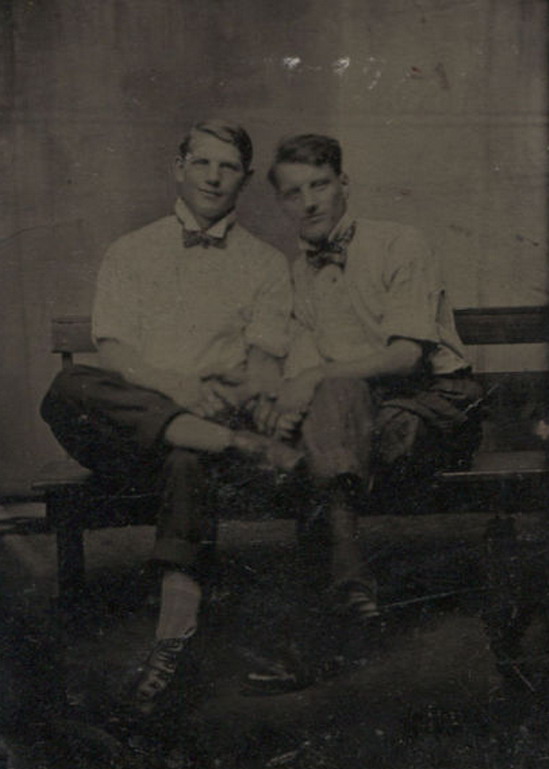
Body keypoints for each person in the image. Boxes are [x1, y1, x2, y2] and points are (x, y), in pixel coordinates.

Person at [40, 119, 300, 717]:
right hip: (134, 432)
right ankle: (220, 440)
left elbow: (263, 366)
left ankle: (171, 641)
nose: (213, 177)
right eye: (201, 162)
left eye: (227, 167)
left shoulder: (265, 263)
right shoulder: (130, 251)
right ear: (178, 168)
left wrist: (226, 396)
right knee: (68, 386)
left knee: (188, 458)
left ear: (245, 180)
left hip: (212, 426)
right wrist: (178, 388)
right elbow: (117, 353)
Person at [247, 133, 483, 689]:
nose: (309, 202)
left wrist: (310, 383)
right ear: (280, 203)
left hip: (434, 407)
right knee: (326, 417)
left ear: (344, 184)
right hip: (351, 420)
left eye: (320, 185)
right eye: (293, 192)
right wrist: (297, 394)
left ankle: (331, 613)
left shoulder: (401, 243)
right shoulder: (297, 274)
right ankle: (347, 604)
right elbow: (310, 367)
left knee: (317, 441)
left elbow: (406, 356)